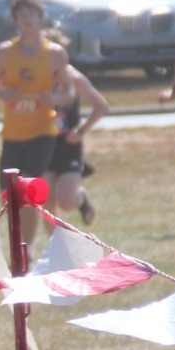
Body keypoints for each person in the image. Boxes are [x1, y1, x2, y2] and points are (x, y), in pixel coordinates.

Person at [0, 0, 66, 248]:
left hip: (43, 131)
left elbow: (69, 92)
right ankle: (19, 244)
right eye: (21, 15)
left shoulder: (54, 54)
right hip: (13, 133)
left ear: (41, 18)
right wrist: (3, 93)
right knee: (9, 197)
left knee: (29, 190)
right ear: (15, 21)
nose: (27, 19)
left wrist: (52, 97)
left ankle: (27, 249)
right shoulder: (4, 52)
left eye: (32, 13)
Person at [46, 56, 110, 225]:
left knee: (66, 201)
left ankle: (80, 197)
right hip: (44, 144)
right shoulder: (36, 77)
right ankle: (57, 246)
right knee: (46, 200)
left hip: (68, 145)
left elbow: (102, 106)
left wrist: (81, 131)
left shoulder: (74, 79)